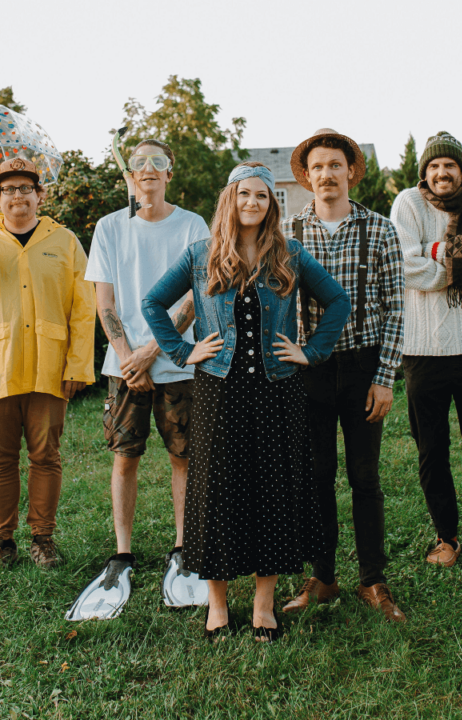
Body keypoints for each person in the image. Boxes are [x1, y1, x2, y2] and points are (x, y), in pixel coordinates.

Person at [142, 161, 351, 641]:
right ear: (230, 201)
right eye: (244, 195)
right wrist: (181, 350)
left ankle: (263, 606)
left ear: (271, 203)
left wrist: (312, 350)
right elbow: (153, 303)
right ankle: (217, 605)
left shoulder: (290, 254)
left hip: (278, 389)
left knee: (273, 493)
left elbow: (337, 301)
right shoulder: (201, 255)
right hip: (219, 388)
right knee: (218, 494)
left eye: (262, 196)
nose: (253, 203)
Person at [0, 157, 95, 569]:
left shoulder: (64, 241)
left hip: (48, 366)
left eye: (26, 188)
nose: (18, 196)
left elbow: (84, 308)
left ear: (40, 195)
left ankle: (42, 538)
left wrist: (78, 364)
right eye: (8, 189)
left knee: (46, 455)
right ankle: (2, 541)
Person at [280, 129, 406, 622]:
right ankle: (323, 576)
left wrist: (385, 377)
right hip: (310, 368)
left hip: (363, 366)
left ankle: (373, 580)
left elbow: (396, 308)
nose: (327, 174)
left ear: (350, 171)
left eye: (335, 165)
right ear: (307, 177)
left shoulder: (378, 229)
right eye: (318, 167)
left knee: (365, 476)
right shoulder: (289, 231)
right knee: (316, 477)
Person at [83, 139, 210, 616]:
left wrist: (152, 351)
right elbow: (106, 303)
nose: (149, 169)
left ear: (170, 174)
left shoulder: (192, 225)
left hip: (177, 361)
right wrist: (128, 357)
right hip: (124, 367)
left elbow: (194, 298)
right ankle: (122, 555)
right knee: (124, 458)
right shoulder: (110, 229)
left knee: (184, 458)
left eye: (159, 162)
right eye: (140, 163)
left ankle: (182, 548)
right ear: (130, 176)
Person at [390, 131, 462, 573]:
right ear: (425, 173)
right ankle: (446, 537)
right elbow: (403, 262)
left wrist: (431, 252)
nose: (442, 173)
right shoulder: (407, 203)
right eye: (434, 166)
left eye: (450, 165)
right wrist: (455, 260)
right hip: (424, 350)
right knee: (431, 449)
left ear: (461, 170)